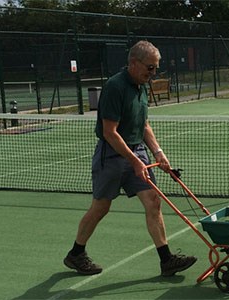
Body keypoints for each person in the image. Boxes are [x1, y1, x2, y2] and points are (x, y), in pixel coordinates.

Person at [63, 40, 197, 277]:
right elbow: (110, 132)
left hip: (138, 153)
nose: (153, 73)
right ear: (133, 64)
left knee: (153, 202)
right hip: (112, 155)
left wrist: (158, 153)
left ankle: (166, 259)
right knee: (101, 208)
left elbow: (143, 124)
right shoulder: (115, 87)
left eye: (156, 68)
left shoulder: (142, 85)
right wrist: (134, 161)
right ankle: (76, 254)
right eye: (150, 67)